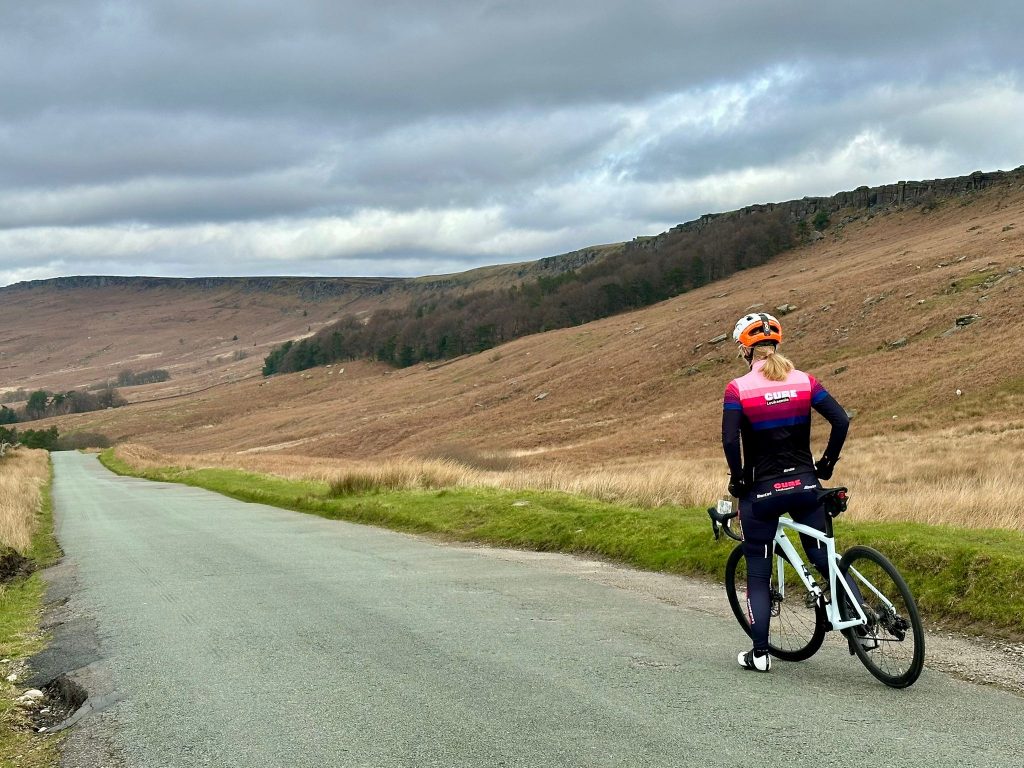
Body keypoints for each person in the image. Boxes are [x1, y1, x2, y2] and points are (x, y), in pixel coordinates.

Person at [721, 312, 850, 672]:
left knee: (758, 572)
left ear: (746, 350)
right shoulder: (805, 381)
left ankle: (760, 654)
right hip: (806, 485)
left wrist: (738, 480)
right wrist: (826, 464)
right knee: (823, 557)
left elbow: (730, 440)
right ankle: (860, 621)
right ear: (775, 345)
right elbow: (841, 420)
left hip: (762, 493)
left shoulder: (737, 389)